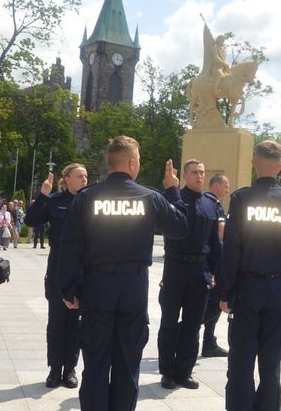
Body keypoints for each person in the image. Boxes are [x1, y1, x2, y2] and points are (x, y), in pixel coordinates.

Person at [57, 136, 188, 411]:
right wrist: (173, 190)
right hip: (133, 286)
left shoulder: (87, 197)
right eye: (138, 160)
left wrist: (69, 289)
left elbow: (70, 247)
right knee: (128, 363)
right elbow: (180, 228)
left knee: (95, 363)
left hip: (97, 285)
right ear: (131, 163)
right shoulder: (150, 197)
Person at [218, 140, 281, 411]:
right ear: (280, 166)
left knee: (241, 360)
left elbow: (232, 249)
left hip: (247, 288)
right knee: (271, 363)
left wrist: (224, 292)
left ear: (253, 163)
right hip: (277, 289)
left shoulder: (241, 199)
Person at [158, 159, 224, 390]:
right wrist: (172, 189)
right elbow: (172, 223)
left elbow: (215, 242)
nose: (199, 176)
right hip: (175, 268)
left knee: (192, 324)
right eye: (194, 172)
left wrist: (216, 272)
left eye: (202, 172)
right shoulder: (174, 198)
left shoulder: (210, 203)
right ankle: (167, 372)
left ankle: (184, 372)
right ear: (185, 176)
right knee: (168, 322)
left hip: (200, 271)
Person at [24, 163, 88, 389]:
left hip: (82, 268)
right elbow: (30, 220)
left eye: (85, 176)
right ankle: (54, 369)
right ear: (66, 179)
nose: (84, 180)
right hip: (58, 266)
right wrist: (43, 195)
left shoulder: (90, 201)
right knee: (56, 323)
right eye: (79, 176)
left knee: (75, 324)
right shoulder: (55, 201)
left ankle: (70, 369)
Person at [202, 172, 230, 358]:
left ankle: (209, 342)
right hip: (212, 263)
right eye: (226, 186)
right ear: (216, 185)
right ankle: (184, 332)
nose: (228, 190)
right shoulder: (213, 205)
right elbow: (221, 232)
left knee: (214, 305)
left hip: (211, 261)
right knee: (212, 306)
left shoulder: (208, 203)